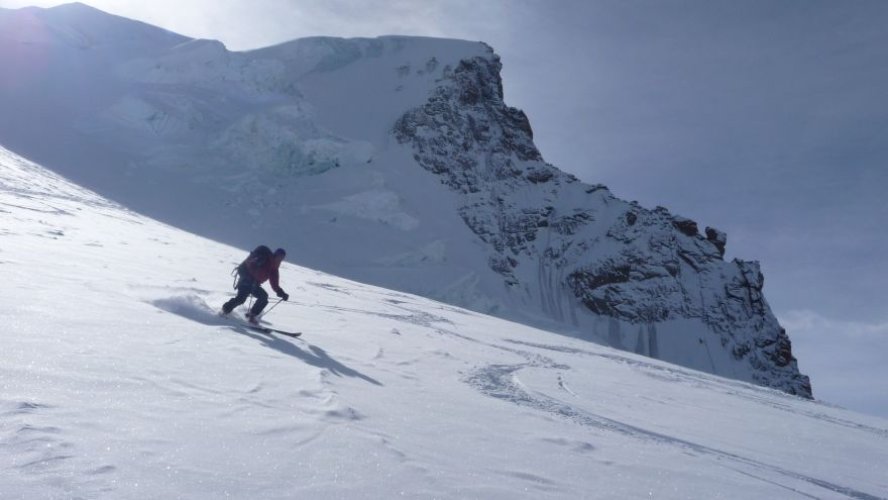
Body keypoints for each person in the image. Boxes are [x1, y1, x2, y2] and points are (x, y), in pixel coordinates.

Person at [221, 245, 289, 324]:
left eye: (282, 258)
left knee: (263, 297)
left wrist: (281, 292)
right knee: (241, 299)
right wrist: (256, 264)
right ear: (275, 255)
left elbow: (274, 282)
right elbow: (250, 263)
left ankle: (251, 315)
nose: (280, 259)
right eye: (279, 256)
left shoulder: (274, 268)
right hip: (246, 280)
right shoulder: (265, 258)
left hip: (255, 284)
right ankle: (224, 311)